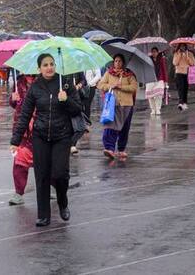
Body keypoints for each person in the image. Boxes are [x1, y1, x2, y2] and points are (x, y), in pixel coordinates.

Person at [10, 53, 82, 227]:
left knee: (60, 174)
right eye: (45, 65)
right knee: (41, 176)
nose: (49, 67)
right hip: (40, 136)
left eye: (52, 64)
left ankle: (63, 201)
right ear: (39, 68)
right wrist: (16, 139)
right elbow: (25, 114)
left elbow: (77, 110)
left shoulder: (64, 83)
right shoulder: (35, 87)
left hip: (62, 136)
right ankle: (43, 215)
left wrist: (66, 101)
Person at [97, 54, 138, 159]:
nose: (117, 63)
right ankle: (109, 148)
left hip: (127, 105)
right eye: (115, 61)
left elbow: (133, 87)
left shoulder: (129, 74)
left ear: (123, 63)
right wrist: (111, 86)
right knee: (111, 126)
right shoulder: (109, 73)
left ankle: (121, 149)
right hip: (113, 104)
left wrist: (121, 87)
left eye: (119, 61)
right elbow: (100, 85)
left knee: (124, 127)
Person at [8, 73, 35, 205]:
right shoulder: (19, 82)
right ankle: (18, 192)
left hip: (41, 126)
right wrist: (13, 99)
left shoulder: (45, 80)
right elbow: (15, 104)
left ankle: (51, 187)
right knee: (20, 160)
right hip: (22, 128)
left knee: (47, 159)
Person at [173, 44, 195, 111]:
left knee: (185, 88)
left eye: (184, 46)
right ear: (179, 47)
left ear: (186, 47)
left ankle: (185, 103)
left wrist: (187, 56)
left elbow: (193, 63)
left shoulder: (190, 54)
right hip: (179, 72)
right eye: (181, 46)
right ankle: (180, 102)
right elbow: (175, 63)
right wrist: (180, 55)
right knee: (180, 88)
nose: (182, 47)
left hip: (187, 73)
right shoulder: (176, 53)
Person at [146, 47, 169, 115]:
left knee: (159, 95)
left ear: (158, 52)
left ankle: (158, 109)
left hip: (159, 79)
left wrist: (166, 80)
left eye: (155, 52)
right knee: (150, 96)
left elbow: (164, 69)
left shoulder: (161, 59)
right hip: (150, 79)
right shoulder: (148, 59)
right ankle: (153, 109)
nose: (154, 53)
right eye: (152, 52)